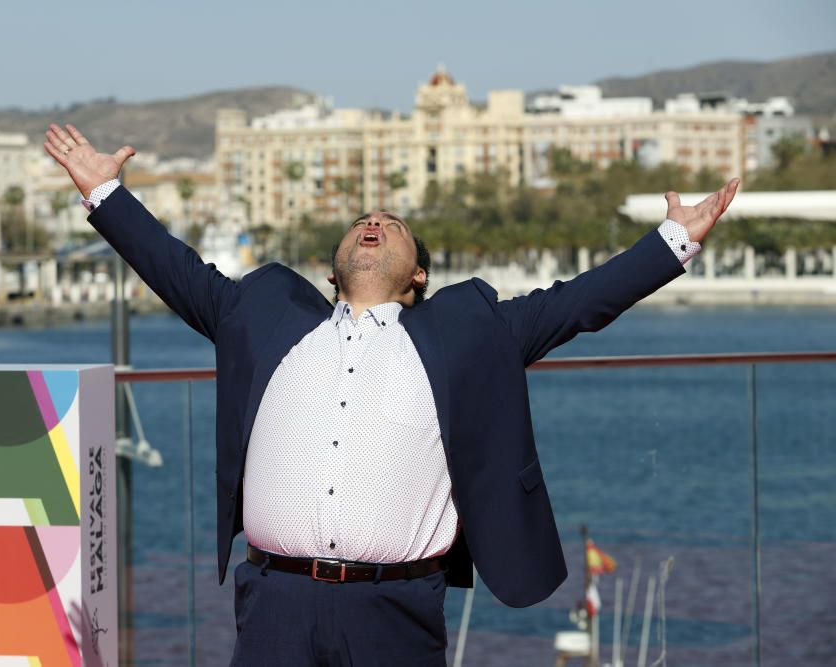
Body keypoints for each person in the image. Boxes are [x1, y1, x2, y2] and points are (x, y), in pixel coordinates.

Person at [45, 123, 739, 666]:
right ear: (335, 262)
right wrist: (105, 194)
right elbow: (177, 269)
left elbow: (576, 303)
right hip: (274, 606)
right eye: (362, 221)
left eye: (393, 224)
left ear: (419, 275)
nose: (373, 222)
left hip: (395, 610)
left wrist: (673, 239)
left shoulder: (470, 331)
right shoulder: (263, 319)